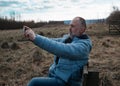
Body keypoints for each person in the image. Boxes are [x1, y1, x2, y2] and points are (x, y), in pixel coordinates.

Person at [23, 16, 92, 86]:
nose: (69, 29)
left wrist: (35, 38)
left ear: (82, 29)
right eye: (70, 26)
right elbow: (53, 41)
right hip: (60, 78)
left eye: (72, 26)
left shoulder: (83, 46)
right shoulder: (71, 39)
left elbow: (60, 48)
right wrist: (35, 36)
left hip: (66, 82)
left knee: (34, 82)